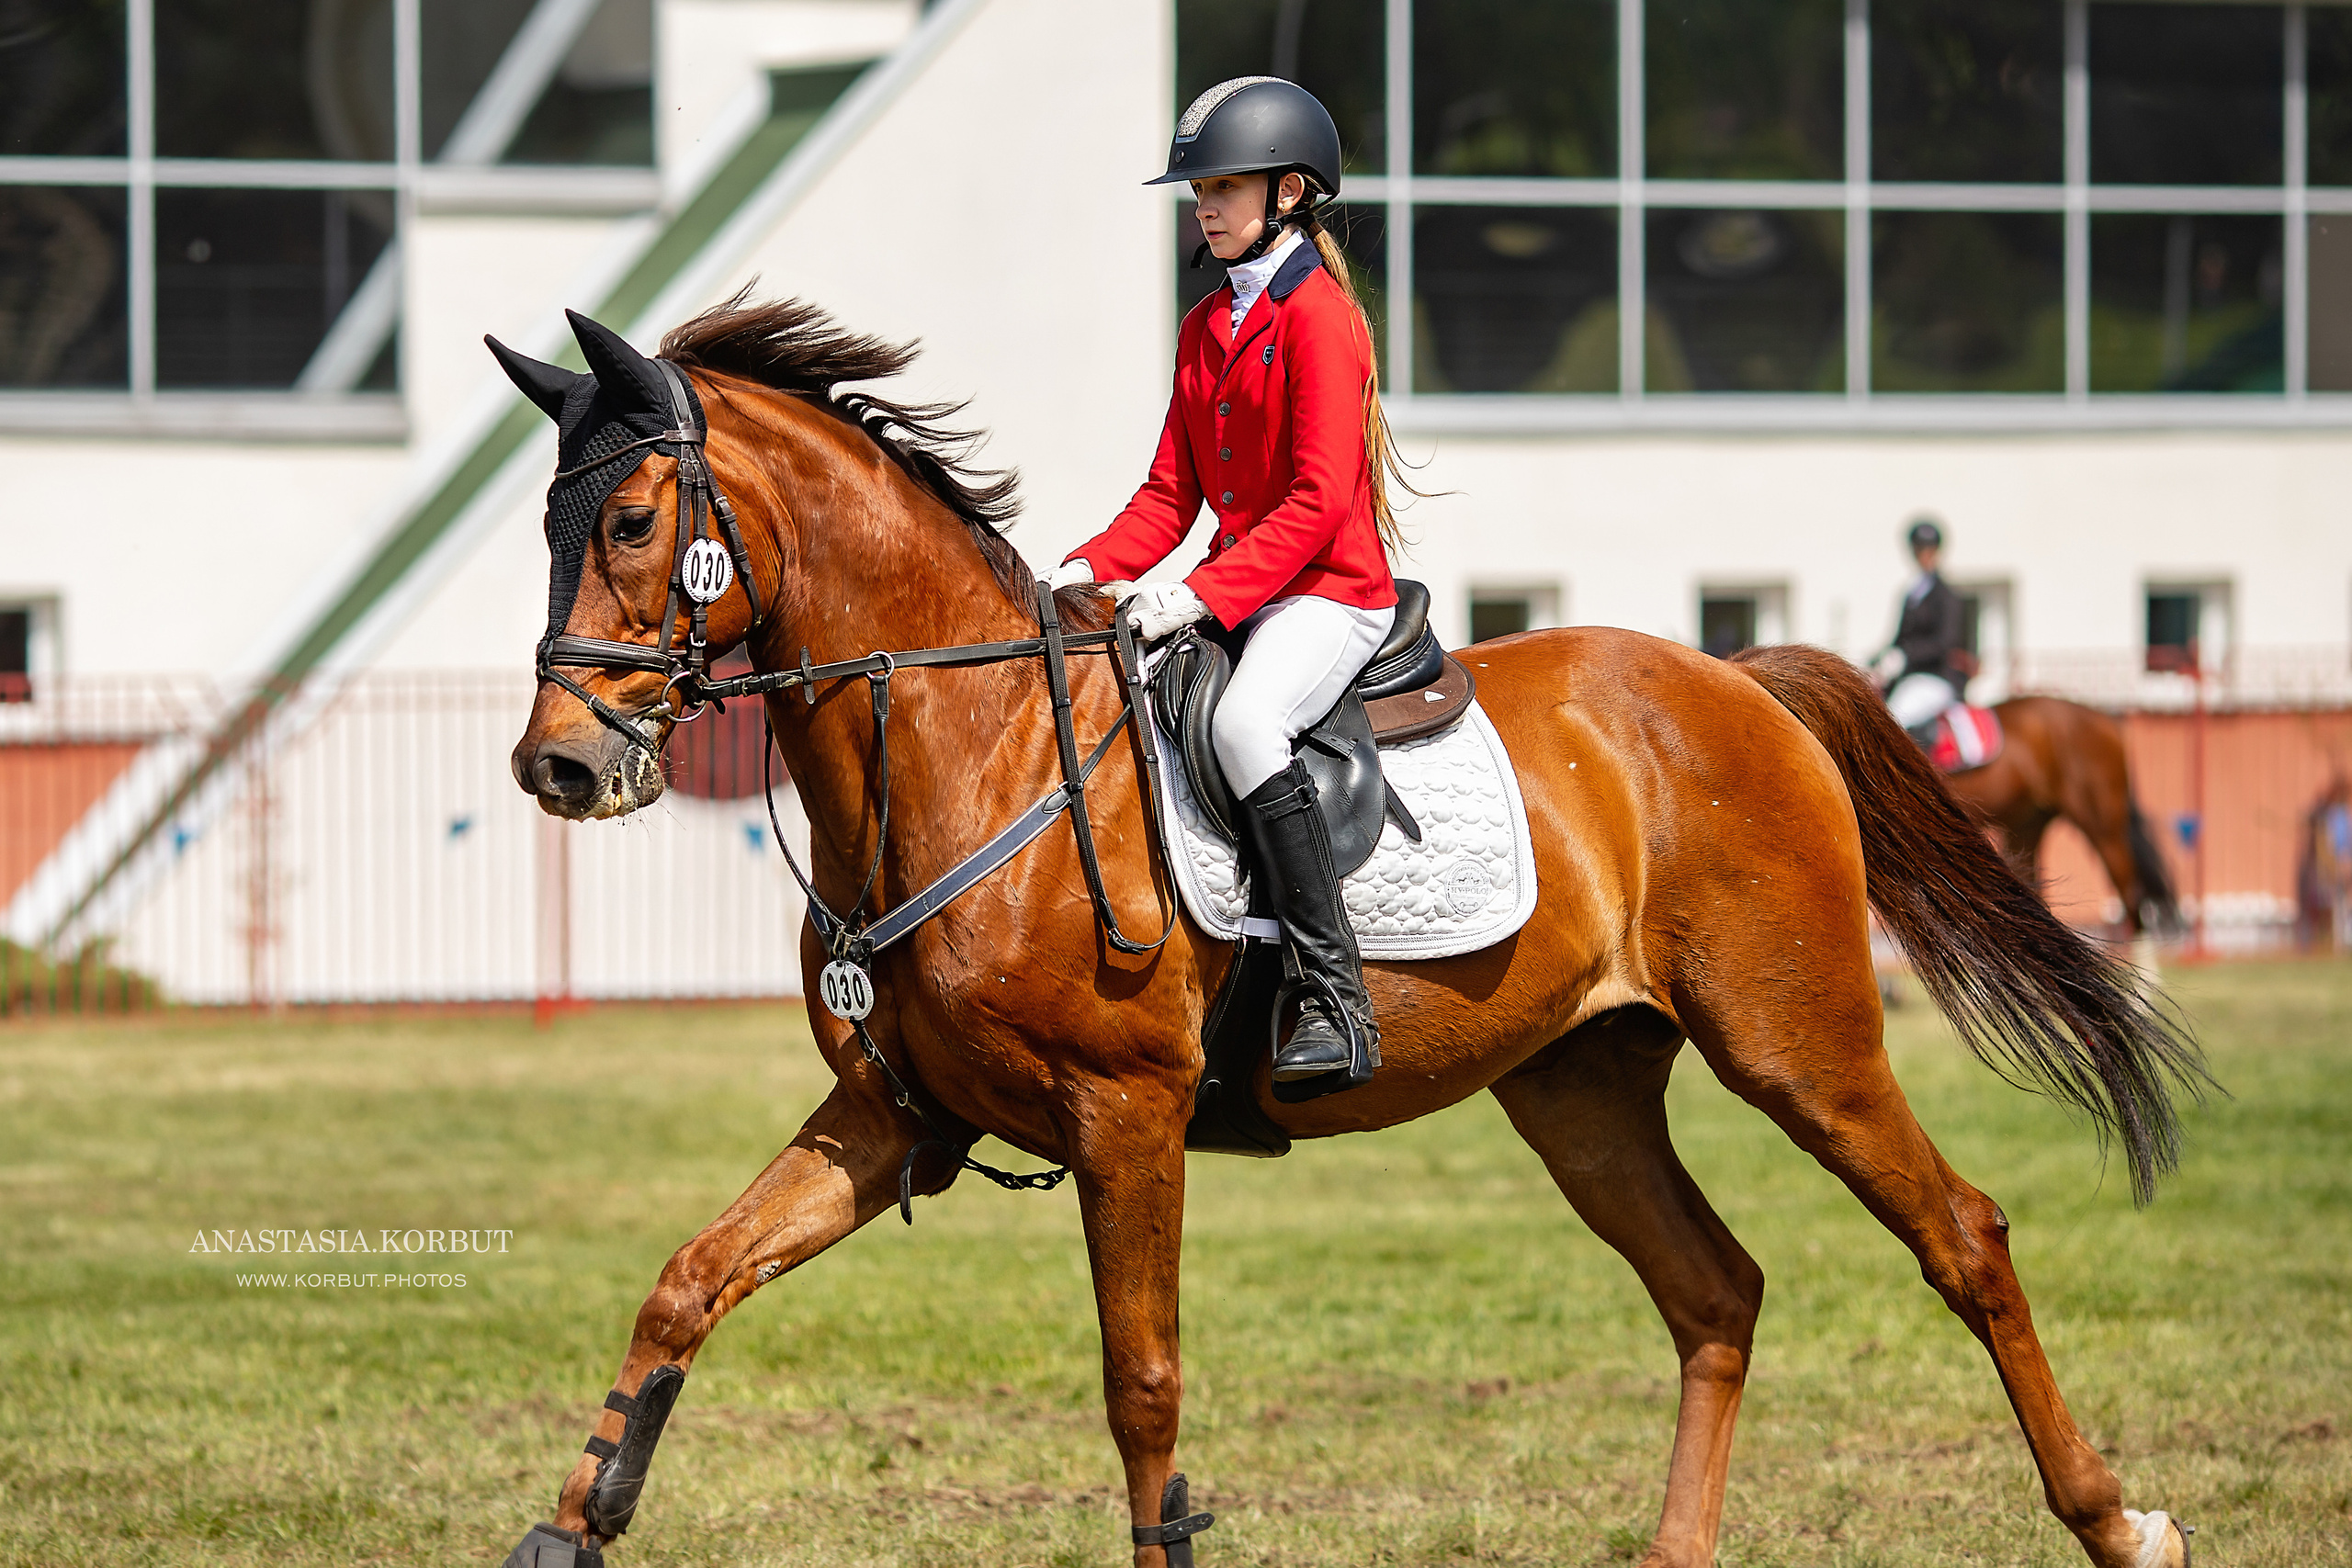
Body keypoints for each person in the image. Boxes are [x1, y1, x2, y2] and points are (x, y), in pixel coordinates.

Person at [1043, 76, 1413, 1089]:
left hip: (1331, 591)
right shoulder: (1209, 322)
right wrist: (1075, 574)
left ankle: (1333, 999)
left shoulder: (1321, 318)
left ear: (1288, 193)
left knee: (1246, 724)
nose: (1203, 203)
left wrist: (1201, 598)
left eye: (1223, 185)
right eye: (1196, 188)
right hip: (1247, 585)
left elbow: (1318, 499)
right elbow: (1169, 494)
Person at [1876, 517, 1967, 748]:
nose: (1923, 555)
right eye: (1918, 549)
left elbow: (1944, 643)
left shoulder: (1946, 595)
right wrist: (1878, 662)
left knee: (1894, 719)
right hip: (1908, 677)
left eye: (1928, 549)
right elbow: (1898, 639)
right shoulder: (1911, 594)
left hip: (1935, 678)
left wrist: (1905, 656)